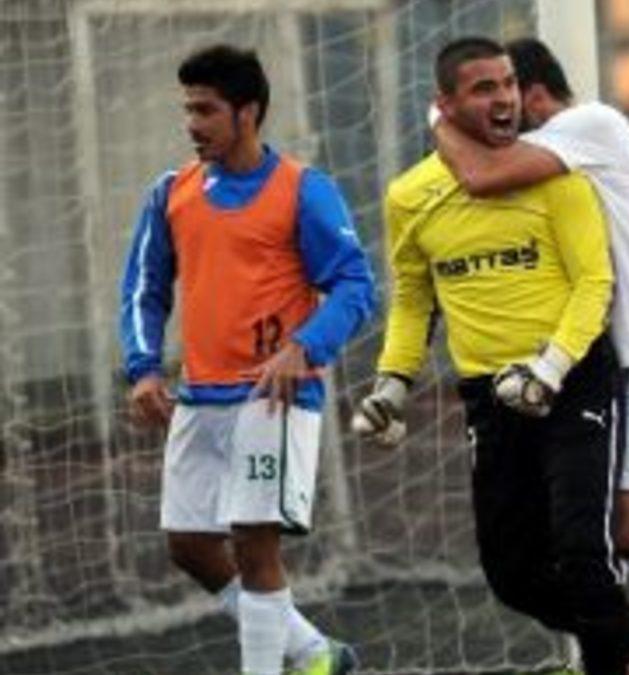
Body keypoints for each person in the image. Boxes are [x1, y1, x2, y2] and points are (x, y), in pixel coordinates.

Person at [351, 37, 629, 675]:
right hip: (489, 399)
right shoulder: (409, 196)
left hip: (571, 383)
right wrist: (393, 383)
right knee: (512, 574)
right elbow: (413, 298)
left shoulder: (556, 175)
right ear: (445, 105)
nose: (505, 99)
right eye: (484, 88)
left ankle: (615, 654)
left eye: (508, 84)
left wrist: (550, 368)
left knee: (583, 554)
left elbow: (594, 284)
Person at [430, 37, 629, 675]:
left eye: (505, 93)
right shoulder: (561, 150)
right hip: (613, 360)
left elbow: (479, 174)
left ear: (533, 94)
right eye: (484, 93)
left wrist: (440, 117)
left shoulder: (588, 124)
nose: (500, 113)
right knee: (572, 539)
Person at [119, 44, 374, 675]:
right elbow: (144, 290)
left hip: (273, 398)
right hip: (199, 396)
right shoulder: (170, 193)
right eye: (188, 110)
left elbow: (355, 285)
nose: (192, 123)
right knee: (188, 545)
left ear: (248, 112)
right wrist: (143, 368)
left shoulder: (304, 190)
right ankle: (315, 654)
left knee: (255, 546)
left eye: (206, 110)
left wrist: (303, 348)